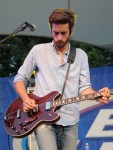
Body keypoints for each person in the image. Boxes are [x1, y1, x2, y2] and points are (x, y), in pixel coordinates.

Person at [13, 8, 110, 150]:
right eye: (55, 33)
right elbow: (19, 79)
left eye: (63, 33)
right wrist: (26, 99)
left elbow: (84, 88)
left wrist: (97, 95)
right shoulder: (38, 51)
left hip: (70, 121)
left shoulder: (81, 56)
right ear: (51, 30)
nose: (59, 37)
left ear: (71, 32)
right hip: (42, 120)